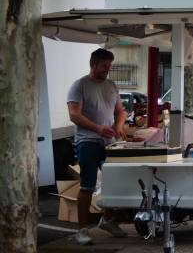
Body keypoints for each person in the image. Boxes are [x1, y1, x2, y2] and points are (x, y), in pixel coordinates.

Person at [66, 48, 128, 245]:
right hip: (87, 141)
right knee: (87, 185)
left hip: (109, 143)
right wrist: (97, 128)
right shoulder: (79, 85)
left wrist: (117, 127)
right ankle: (81, 229)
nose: (107, 70)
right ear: (93, 64)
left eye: (109, 66)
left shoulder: (111, 85)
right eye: (104, 66)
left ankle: (107, 219)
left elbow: (120, 111)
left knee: (114, 184)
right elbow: (74, 114)